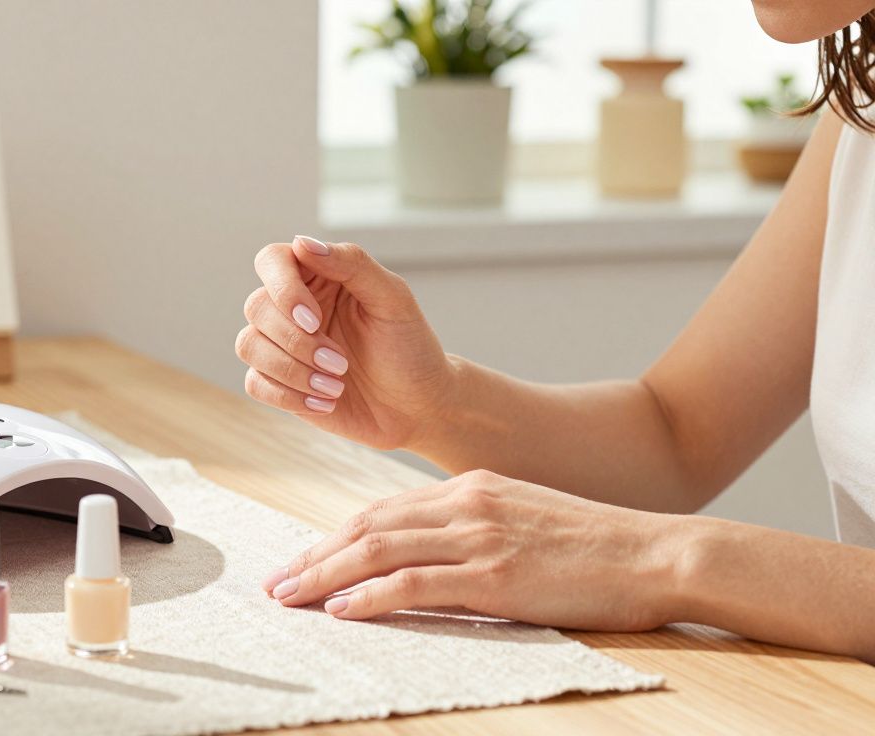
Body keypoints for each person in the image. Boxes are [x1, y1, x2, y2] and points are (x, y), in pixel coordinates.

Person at [235, 0, 875, 661]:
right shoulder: (863, 107)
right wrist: (436, 405)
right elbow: (676, 435)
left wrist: (662, 559)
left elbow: (665, 501)